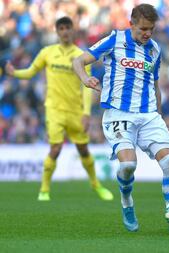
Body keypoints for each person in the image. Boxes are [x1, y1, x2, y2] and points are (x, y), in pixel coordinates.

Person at [73, 4, 169, 233]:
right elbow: (78, 61)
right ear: (132, 24)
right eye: (143, 29)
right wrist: (85, 78)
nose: (147, 33)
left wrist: (161, 120)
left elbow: (155, 86)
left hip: (148, 115)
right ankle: (126, 199)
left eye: (151, 29)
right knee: (127, 165)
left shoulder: (155, 50)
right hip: (119, 113)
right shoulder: (114, 40)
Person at [5, 17, 113, 202]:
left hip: (75, 111)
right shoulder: (47, 52)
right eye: (61, 28)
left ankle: (96, 184)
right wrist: (15, 73)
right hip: (54, 109)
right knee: (55, 148)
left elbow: (87, 86)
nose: (64, 31)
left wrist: (86, 113)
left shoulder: (80, 55)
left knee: (83, 150)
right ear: (57, 31)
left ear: (72, 30)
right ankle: (44, 189)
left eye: (67, 28)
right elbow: (31, 71)